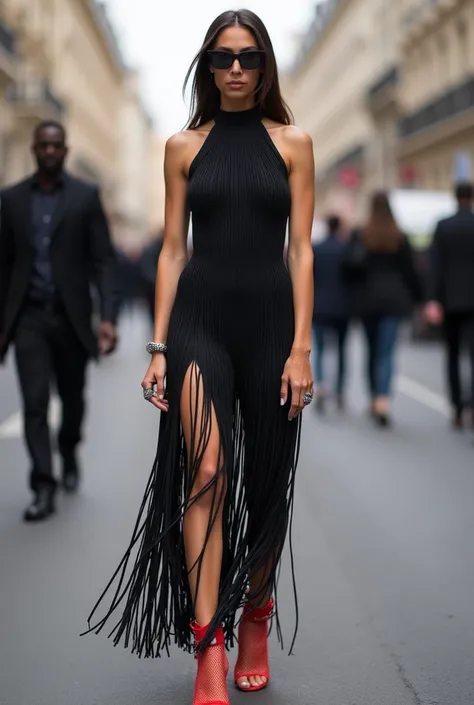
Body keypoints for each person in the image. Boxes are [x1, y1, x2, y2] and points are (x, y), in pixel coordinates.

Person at [85, 9, 314, 704]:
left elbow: (299, 250)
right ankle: (207, 640)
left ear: (265, 65)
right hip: (198, 323)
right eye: (223, 58)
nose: (237, 69)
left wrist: (301, 347)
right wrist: (158, 345)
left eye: (248, 57)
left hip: (272, 325)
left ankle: (256, 615)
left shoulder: (294, 142)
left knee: (267, 484)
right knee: (207, 467)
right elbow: (172, 249)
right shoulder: (183, 146)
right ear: (207, 66)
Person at [0, 120, 118, 522]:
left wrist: (108, 318)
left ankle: (68, 450)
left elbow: (103, 260)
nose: (50, 151)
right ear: (34, 149)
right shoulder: (11, 199)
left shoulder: (85, 197)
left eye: (57, 146)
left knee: (72, 400)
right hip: (28, 317)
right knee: (35, 403)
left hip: (72, 319)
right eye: (44, 145)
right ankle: (43, 486)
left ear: (66, 151)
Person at [344, 191, 422, 427]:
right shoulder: (399, 236)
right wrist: (419, 299)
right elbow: (410, 272)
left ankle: (372, 396)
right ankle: (382, 399)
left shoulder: (361, 234)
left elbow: (348, 269)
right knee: (387, 352)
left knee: (372, 350)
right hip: (393, 300)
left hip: (367, 301)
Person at [425, 182, 474, 429]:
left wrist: (433, 300)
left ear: (455, 198)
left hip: (451, 301)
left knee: (453, 355)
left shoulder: (443, 227)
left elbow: (435, 266)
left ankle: (456, 408)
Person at [312, 214, 350, 412]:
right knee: (341, 351)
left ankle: (320, 386)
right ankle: (340, 391)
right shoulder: (345, 249)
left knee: (319, 349)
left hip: (319, 306)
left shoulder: (317, 249)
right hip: (342, 307)